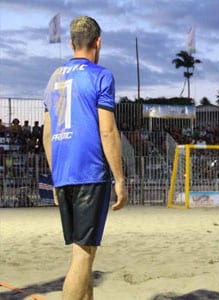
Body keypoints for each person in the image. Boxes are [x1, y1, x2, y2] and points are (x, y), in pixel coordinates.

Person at [43, 16, 126, 300]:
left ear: (71, 43)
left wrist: (56, 178)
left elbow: (47, 134)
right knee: (82, 255)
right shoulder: (101, 75)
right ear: (98, 42)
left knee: (84, 257)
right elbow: (107, 131)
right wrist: (120, 178)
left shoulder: (54, 78)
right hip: (89, 172)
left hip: (63, 172)